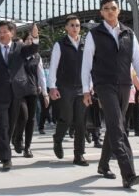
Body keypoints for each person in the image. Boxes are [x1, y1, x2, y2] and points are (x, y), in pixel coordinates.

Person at [82, 0, 139, 189]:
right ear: (101, 12)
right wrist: (86, 89)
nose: (110, 11)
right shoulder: (94, 34)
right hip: (104, 85)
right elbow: (86, 64)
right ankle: (128, 174)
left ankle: (103, 165)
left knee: (115, 126)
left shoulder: (128, 33)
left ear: (118, 10)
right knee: (118, 127)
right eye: (106, 8)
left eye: (113, 8)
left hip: (125, 85)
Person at [0, 21, 39, 171]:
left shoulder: (19, 47)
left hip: (16, 93)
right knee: (2, 125)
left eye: (4, 32)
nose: (1, 34)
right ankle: (6, 158)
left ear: (12, 33)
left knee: (10, 126)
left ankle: (2, 150)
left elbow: (33, 49)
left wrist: (35, 37)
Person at [49, 15, 88, 166]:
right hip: (65, 87)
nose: (75, 28)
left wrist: (90, 86)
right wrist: (52, 87)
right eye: (72, 25)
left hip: (82, 88)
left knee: (80, 122)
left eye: (77, 25)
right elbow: (53, 66)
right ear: (66, 27)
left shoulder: (85, 44)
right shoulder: (60, 44)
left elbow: (90, 66)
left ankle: (79, 155)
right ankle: (57, 139)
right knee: (67, 118)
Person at [10, 28, 48, 158]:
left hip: (32, 90)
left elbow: (41, 75)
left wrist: (45, 93)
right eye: (28, 39)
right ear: (24, 41)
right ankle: (17, 139)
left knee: (31, 119)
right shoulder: (17, 55)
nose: (30, 42)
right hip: (19, 90)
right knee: (23, 116)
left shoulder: (37, 57)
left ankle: (27, 147)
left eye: (32, 39)